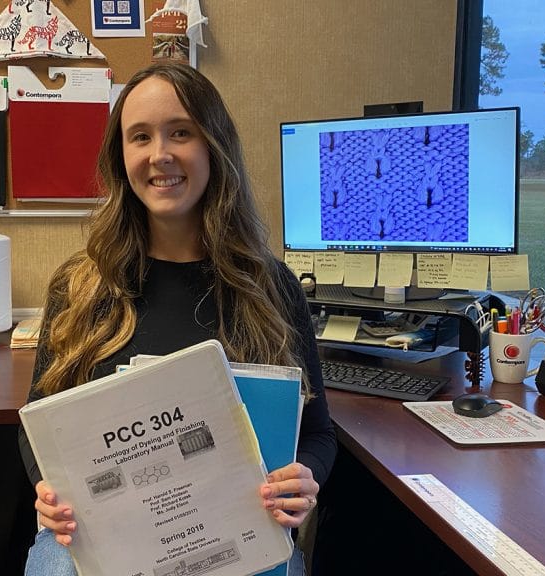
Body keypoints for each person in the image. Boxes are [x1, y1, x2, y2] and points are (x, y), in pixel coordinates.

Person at [18, 62, 337, 576]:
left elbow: (319, 433)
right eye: (140, 137)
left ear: (214, 145)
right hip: (104, 541)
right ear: (121, 159)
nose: (160, 154)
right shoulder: (80, 285)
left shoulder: (271, 286)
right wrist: (47, 491)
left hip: (235, 543)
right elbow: (37, 423)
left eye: (181, 132)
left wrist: (305, 479)